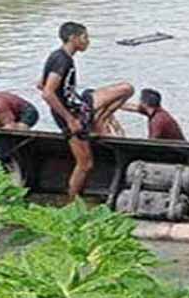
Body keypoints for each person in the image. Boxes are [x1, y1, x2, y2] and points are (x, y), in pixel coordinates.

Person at [38, 21, 134, 198]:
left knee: (126, 89)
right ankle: (72, 202)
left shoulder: (61, 57)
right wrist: (70, 119)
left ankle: (99, 118)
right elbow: (47, 93)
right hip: (72, 114)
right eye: (85, 37)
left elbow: (40, 84)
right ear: (73, 38)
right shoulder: (62, 59)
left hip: (79, 104)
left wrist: (70, 96)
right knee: (85, 164)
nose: (87, 41)